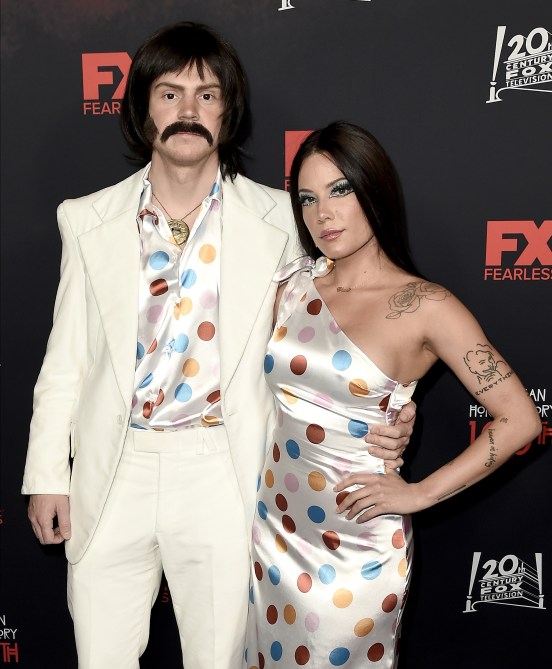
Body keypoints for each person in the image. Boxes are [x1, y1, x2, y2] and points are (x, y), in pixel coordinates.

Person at [22, 25, 414, 669]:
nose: (188, 111)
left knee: (219, 659)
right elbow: (64, 362)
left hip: (223, 469)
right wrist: (47, 477)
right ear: (141, 108)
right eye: (169, 93)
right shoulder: (86, 219)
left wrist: (394, 401)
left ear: (228, 112)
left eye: (206, 96)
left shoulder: (285, 220)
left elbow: (351, 317)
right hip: (111, 468)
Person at [243, 121, 541, 669]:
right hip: (273, 529)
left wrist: (421, 493)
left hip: (357, 544)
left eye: (340, 190)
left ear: (373, 189)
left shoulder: (426, 305)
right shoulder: (291, 286)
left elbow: (520, 419)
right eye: (307, 198)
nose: (323, 214)